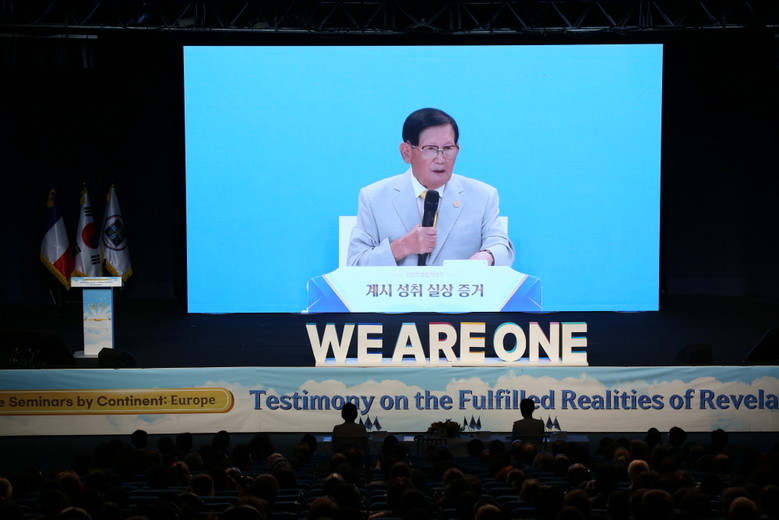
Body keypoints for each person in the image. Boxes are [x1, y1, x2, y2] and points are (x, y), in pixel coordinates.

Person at [347, 108, 514, 267]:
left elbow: (501, 247)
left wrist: (486, 256)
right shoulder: (374, 197)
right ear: (406, 152)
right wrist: (402, 246)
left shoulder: (482, 196)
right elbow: (355, 264)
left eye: (448, 148)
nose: (441, 159)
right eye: (430, 149)